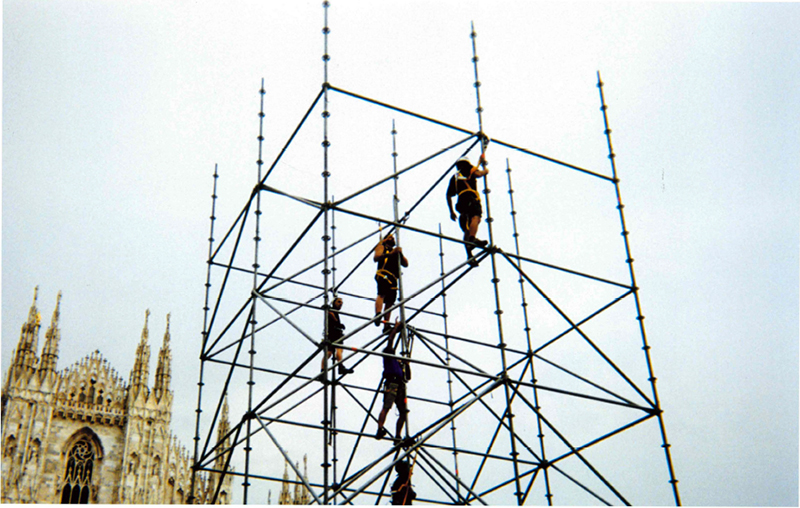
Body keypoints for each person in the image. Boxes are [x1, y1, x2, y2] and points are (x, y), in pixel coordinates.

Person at [446, 153, 489, 266]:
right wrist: (486, 170)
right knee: (475, 217)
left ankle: (469, 254)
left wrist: (451, 211)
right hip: (471, 197)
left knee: (467, 227)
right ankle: (473, 239)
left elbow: (449, 195)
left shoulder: (455, 177)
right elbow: (479, 174)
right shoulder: (468, 168)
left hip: (461, 202)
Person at [376, 320, 411, 441]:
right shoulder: (388, 357)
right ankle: (380, 429)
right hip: (392, 384)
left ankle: (398, 436)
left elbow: (408, 377)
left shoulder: (397, 364)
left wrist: (407, 364)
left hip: (400, 386)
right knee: (386, 407)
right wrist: (396, 328)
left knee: (403, 412)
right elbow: (390, 341)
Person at [373, 233, 408, 331]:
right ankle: (378, 314)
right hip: (384, 273)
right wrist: (390, 254)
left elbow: (405, 264)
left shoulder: (395, 251)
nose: (392, 239)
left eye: (393, 238)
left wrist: (400, 253)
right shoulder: (382, 246)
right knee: (382, 294)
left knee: (390, 302)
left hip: (393, 278)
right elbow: (376, 257)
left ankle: (386, 324)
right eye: (390, 237)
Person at [321, 297, 353, 376]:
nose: (340, 304)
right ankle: (340, 366)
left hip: (330, 333)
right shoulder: (332, 310)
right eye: (339, 302)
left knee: (329, 352)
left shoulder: (334, 311)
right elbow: (330, 312)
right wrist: (337, 323)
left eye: (341, 302)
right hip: (334, 332)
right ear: (334, 302)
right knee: (338, 349)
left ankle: (322, 371)